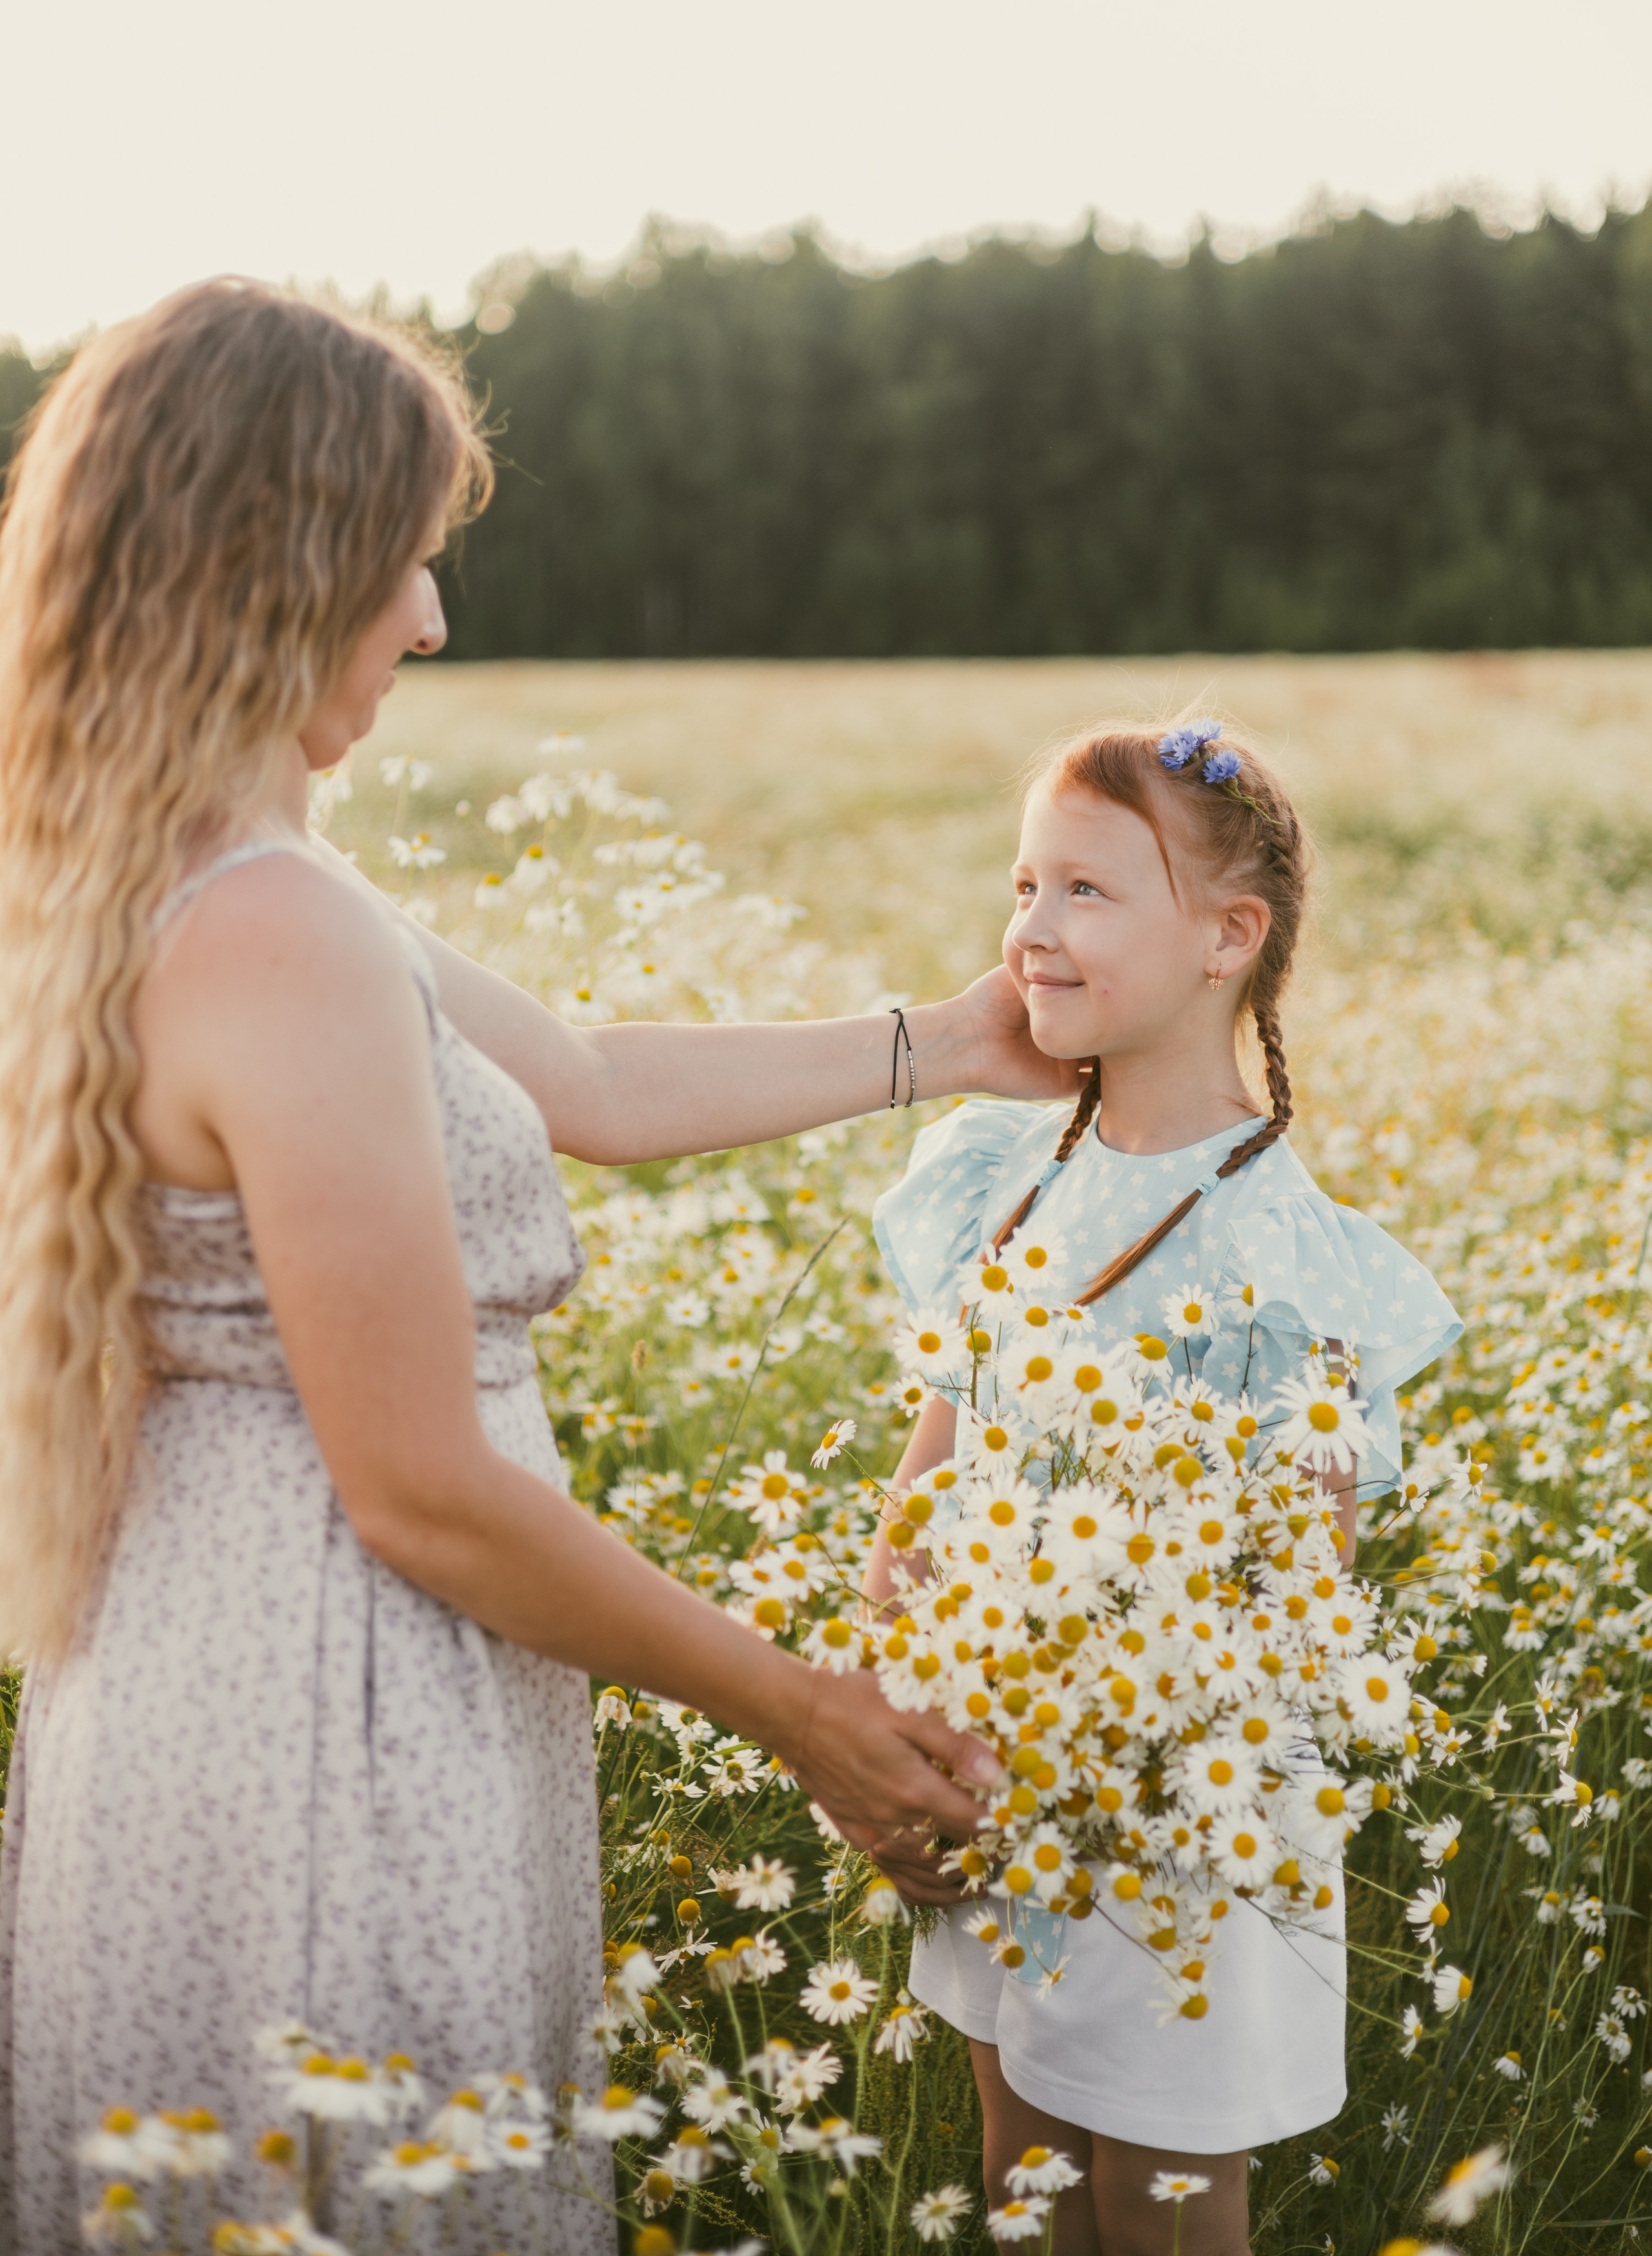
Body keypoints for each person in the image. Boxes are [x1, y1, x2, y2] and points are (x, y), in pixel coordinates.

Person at [0, 279, 1067, 2248]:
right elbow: (415, 1486)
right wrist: (802, 1709)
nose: (430, 622)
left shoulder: (187, 883)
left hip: (208, 1691)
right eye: (406, 565)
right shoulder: (271, 930)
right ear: (276, 567)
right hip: (333, 1728)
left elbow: (580, 1078)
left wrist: (954, 1040)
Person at [863, 720, 1460, 2256]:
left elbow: (1297, 1579)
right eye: (1022, 882)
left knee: (1162, 2191)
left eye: (1084, 889)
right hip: (994, 1776)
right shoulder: (1004, 1167)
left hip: (1176, 1811)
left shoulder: (1281, 1245)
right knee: (1020, 2167)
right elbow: (931, 1481)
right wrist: (902, 1692)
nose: (1030, 928)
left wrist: (1118, 1731)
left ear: (1225, 937)